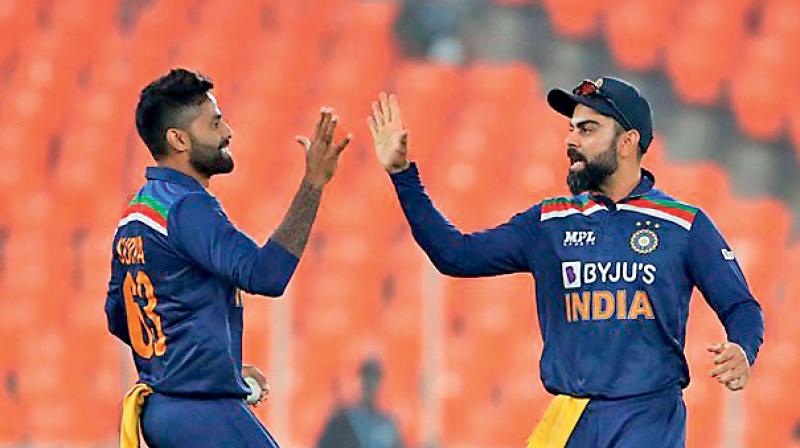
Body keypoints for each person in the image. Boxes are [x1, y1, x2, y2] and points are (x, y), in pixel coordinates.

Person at [366, 78, 764, 448]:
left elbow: (741, 306)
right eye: (572, 129)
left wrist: (743, 349)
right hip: (570, 417)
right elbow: (455, 255)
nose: (571, 140)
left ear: (628, 142)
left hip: (647, 418)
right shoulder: (550, 221)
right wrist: (403, 176)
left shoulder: (683, 225)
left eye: (587, 129)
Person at [105, 68, 350, 448]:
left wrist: (215, 366)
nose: (227, 132)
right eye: (215, 123)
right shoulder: (186, 208)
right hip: (201, 414)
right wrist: (313, 183)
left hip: (161, 414)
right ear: (179, 139)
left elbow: (119, 316)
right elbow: (266, 275)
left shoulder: (136, 214)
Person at [316, 357, 404, 448]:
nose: (370, 382)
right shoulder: (343, 420)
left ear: (380, 382)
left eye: (375, 377)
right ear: (360, 379)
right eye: (366, 376)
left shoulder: (388, 425)